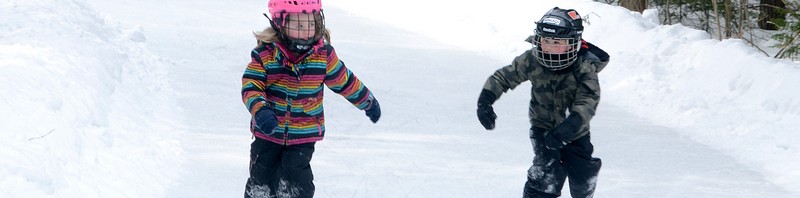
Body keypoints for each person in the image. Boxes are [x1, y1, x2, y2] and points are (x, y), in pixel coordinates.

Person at [241, 0, 381, 197]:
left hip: (303, 135)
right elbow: (251, 86)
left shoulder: (323, 57)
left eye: (311, 24)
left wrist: (367, 101)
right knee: (262, 177)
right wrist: (260, 110)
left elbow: (345, 81)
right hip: (268, 133)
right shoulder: (265, 55)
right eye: (298, 25)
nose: (307, 30)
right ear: (280, 23)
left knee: (296, 177)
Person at [476, 7, 609, 198]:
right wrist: (485, 101)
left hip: (575, 133)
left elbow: (588, 98)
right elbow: (504, 77)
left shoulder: (584, 67)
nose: (549, 47)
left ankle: (585, 180)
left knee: (582, 176)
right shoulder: (532, 60)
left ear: (573, 44)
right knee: (546, 175)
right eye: (546, 41)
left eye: (557, 42)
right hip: (543, 129)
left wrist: (572, 125)